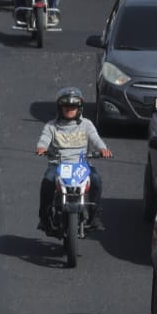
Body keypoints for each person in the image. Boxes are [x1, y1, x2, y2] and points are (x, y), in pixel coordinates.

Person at [36, 87, 111, 231]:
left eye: (73, 107)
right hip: (58, 164)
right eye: (66, 107)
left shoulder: (86, 124)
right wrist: (42, 147)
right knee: (47, 181)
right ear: (60, 108)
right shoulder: (51, 126)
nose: (69, 109)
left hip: (81, 165)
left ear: (79, 108)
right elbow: (44, 139)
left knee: (96, 179)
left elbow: (96, 139)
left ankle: (94, 216)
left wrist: (103, 149)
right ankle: (44, 218)